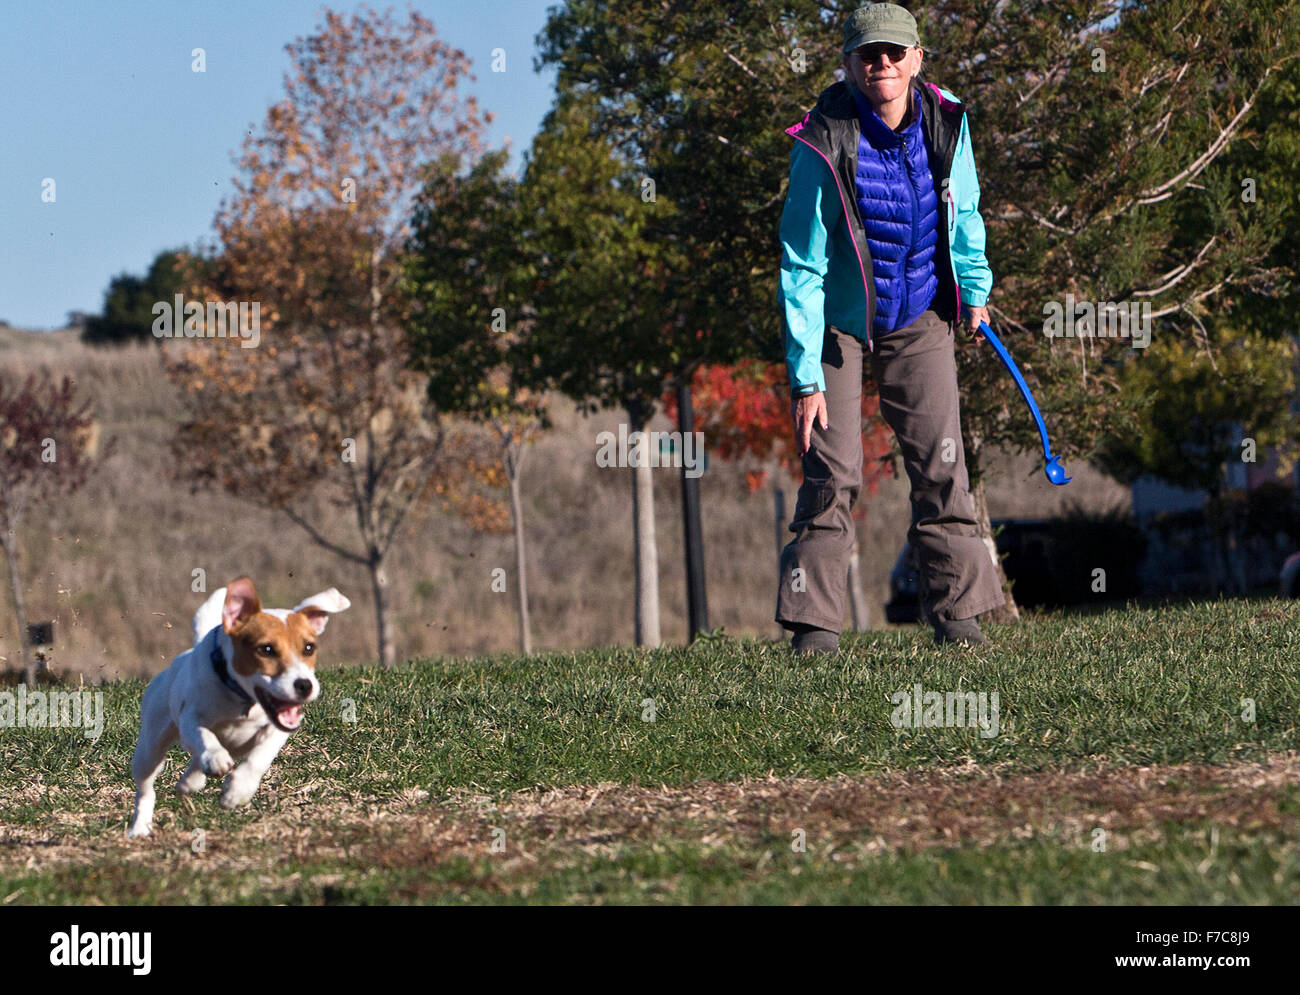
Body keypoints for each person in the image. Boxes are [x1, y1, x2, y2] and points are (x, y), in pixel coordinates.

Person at [775, 3, 1005, 653]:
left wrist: (976, 290)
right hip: (839, 325)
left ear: (917, 59)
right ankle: (813, 627)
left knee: (941, 462)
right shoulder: (822, 141)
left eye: (895, 52)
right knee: (833, 470)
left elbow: (965, 213)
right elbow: (801, 264)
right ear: (847, 63)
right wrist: (804, 379)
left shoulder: (947, 121)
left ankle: (958, 614)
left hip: (921, 311)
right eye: (869, 53)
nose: (883, 63)